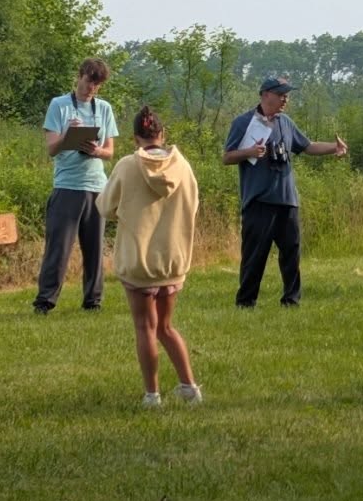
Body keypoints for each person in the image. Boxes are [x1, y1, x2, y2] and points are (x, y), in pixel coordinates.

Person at [98, 106, 202, 407]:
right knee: (166, 327)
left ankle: (152, 394)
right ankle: (189, 388)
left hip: (138, 261)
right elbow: (193, 205)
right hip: (172, 260)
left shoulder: (127, 166)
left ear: (135, 138)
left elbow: (105, 207)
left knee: (145, 327)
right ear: (162, 134)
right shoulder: (182, 166)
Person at [222, 76, 348, 308]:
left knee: (291, 253)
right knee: (254, 256)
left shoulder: (285, 122)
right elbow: (227, 157)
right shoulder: (243, 122)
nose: (285, 99)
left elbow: (308, 146)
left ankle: (291, 300)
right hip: (258, 201)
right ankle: (246, 302)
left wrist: (334, 148)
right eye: (281, 94)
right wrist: (249, 152)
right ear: (265, 94)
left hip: (287, 200)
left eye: (287, 95)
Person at [33, 58, 120, 314]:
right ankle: (45, 301)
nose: (92, 88)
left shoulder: (104, 108)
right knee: (58, 248)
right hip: (67, 186)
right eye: (89, 81)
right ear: (79, 76)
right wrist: (68, 137)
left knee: (94, 249)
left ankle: (93, 301)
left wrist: (96, 150)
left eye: (97, 84)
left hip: (96, 186)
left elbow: (110, 152)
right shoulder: (59, 105)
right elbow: (51, 149)